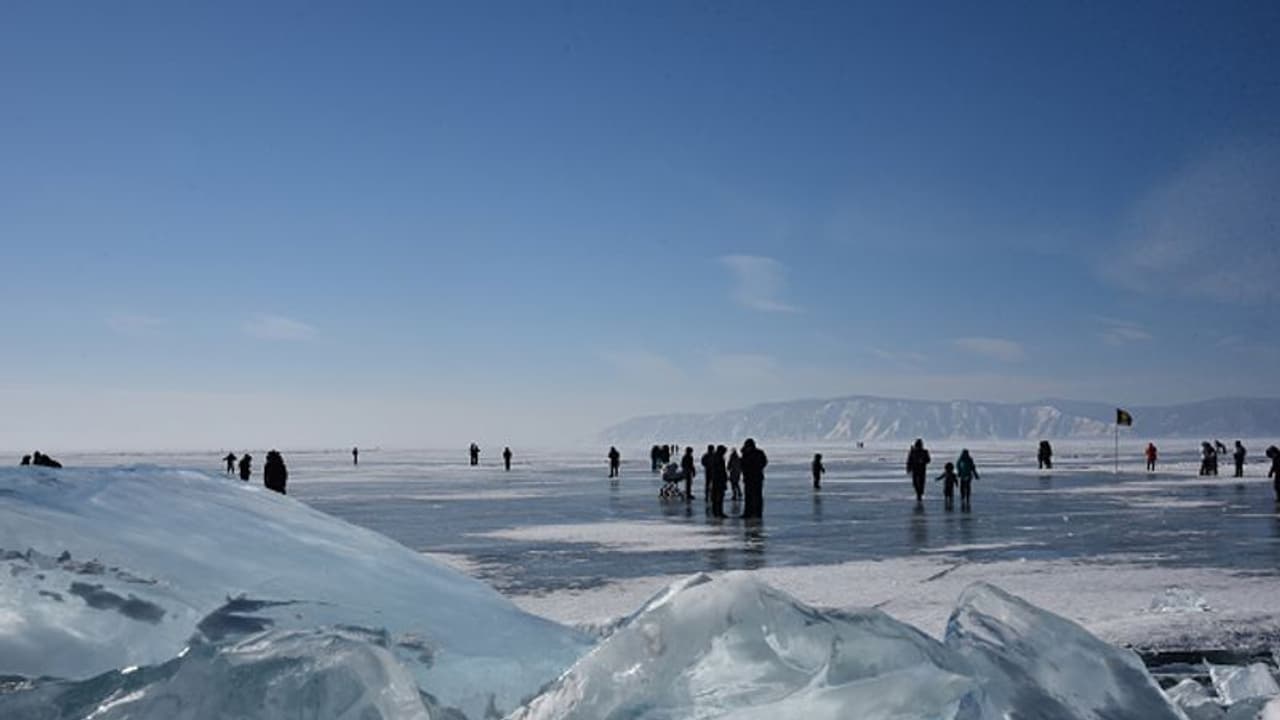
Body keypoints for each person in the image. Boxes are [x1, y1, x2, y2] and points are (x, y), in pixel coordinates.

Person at [740, 438, 768, 519]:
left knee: (757, 496)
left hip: (756, 478)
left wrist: (755, 468)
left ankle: (757, 513)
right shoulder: (746, 453)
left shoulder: (758, 453)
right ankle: (748, 512)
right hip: (749, 478)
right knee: (749, 496)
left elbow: (764, 462)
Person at [710, 445, 728, 518]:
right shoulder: (719, 458)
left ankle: (715, 511)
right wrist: (724, 478)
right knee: (719, 496)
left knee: (715, 496)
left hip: (715, 479)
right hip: (719, 479)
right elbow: (721, 470)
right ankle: (719, 512)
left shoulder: (715, 457)